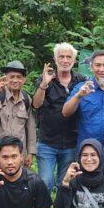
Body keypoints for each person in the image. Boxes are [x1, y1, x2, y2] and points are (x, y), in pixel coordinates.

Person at [62, 50, 104, 177]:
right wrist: (78, 96)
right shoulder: (81, 88)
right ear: (92, 67)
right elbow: (65, 112)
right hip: (86, 155)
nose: (102, 69)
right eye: (98, 65)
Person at [31, 43, 88, 195]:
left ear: (74, 60)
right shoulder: (46, 78)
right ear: (55, 59)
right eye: (61, 57)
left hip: (71, 141)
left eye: (68, 57)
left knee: (65, 184)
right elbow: (36, 104)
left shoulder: (81, 80)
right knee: (46, 182)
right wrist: (44, 83)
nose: (65, 60)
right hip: (47, 141)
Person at [0, 61, 37, 170]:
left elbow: (30, 127)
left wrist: (30, 152)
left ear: (24, 80)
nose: (15, 80)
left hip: (17, 155)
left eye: (19, 77)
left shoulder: (26, 99)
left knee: (17, 184)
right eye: (11, 77)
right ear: (5, 78)